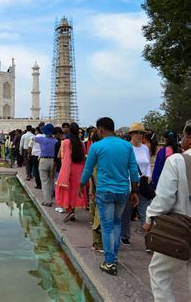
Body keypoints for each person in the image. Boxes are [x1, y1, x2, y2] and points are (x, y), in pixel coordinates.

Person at [79, 117, 139, 276]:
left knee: (106, 226)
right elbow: (133, 171)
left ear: (100, 130)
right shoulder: (126, 146)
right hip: (122, 191)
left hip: (105, 191)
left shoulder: (97, 146)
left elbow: (88, 169)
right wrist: (134, 192)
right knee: (117, 223)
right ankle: (113, 256)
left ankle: (109, 262)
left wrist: (81, 186)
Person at [144, 123, 191, 302]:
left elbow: (164, 199)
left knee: (159, 272)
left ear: (189, 138)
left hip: (180, 229)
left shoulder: (178, 161)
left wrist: (149, 218)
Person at [121, 123, 151, 246]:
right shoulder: (127, 147)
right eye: (137, 132)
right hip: (130, 183)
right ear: (131, 134)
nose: (140, 135)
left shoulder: (145, 148)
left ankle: (149, 239)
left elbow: (148, 164)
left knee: (146, 211)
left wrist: (149, 176)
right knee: (127, 212)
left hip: (143, 183)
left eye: (142, 133)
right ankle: (125, 235)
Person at [55, 122, 88, 222]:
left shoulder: (65, 142)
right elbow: (83, 158)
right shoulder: (81, 144)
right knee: (75, 191)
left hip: (68, 169)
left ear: (69, 130)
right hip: (79, 170)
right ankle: (72, 211)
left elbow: (62, 157)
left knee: (67, 190)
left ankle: (70, 212)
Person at [35, 124, 58, 207]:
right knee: (51, 181)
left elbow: (33, 138)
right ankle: (51, 199)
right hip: (53, 161)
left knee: (44, 182)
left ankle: (47, 201)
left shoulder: (41, 139)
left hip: (44, 161)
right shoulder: (56, 140)